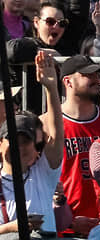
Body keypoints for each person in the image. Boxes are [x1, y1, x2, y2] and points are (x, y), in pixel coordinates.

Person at [0, 52, 63, 235]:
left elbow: (57, 135)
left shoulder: (43, 173)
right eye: (13, 140)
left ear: (36, 149)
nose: (20, 147)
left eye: (26, 141)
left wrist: (51, 88)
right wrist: (12, 228)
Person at [60, 54, 100, 236]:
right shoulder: (50, 124)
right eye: (88, 75)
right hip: (68, 229)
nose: (97, 80)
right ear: (68, 82)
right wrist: (68, 221)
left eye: (97, 75)